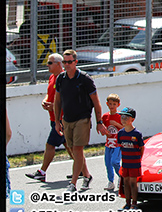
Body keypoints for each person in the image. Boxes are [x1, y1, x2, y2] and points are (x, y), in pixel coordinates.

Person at [54, 49, 107, 193]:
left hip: (82, 119)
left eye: (70, 62)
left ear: (75, 62)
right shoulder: (61, 78)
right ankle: (87, 175)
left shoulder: (84, 79)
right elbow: (57, 101)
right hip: (67, 120)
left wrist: (99, 121)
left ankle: (73, 183)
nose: (67, 65)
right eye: (64, 62)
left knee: (77, 149)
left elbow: (96, 102)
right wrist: (57, 121)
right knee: (73, 150)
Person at [25, 53, 75, 183]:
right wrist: (45, 101)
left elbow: (69, 100)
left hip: (62, 119)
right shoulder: (52, 77)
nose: (47, 65)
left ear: (59, 64)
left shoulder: (65, 79)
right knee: (68, 144)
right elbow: (49, 94)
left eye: (50, 62)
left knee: (50, 144)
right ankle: (81, 169)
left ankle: (42, 172)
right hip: (54, 118)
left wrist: (54, 107)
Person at [117, 107, 144, 211]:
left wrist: (138, 159)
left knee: (133, 183)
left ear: (132, 119)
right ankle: (127, 203)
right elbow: (120, 147)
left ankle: (134, 203)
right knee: (126, 182)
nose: (123, 120)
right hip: (125, 162)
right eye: (121, 117)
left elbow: (141, 148)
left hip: (134, 162)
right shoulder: (120, 133)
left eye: (125, 117)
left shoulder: (137, 134)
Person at [101, 94, 123, 191]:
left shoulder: (120, 116)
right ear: (107, 104)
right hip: (108, 144)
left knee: (115, 162)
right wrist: (105, 132)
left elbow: (126, 128)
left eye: (114, 104)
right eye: (110, 104)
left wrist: (117, 124)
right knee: (108, 163)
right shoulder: (105, 116)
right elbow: (103, 128)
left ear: (118, 104)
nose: (112, 106)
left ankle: (122, 177)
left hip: (118, 144)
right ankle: (110, 181)